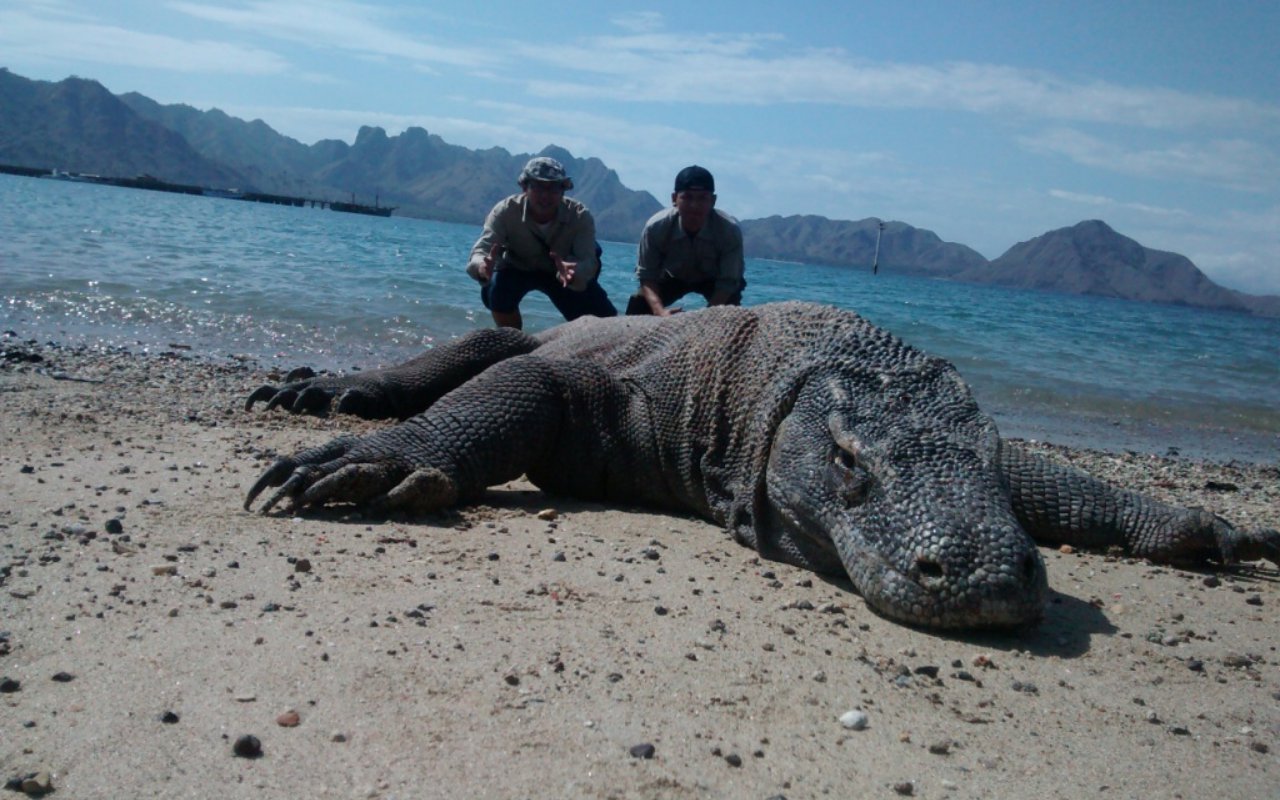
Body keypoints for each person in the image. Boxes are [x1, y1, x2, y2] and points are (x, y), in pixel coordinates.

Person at [466, 157, 616, 329]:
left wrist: (574, 273)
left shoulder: (580, 216)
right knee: (497, 291)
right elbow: (481, 250)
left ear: (563, 190)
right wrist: (482, 267)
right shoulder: (506, 211)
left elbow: (588, 260)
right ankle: (513, 341)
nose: (545, 195)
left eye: (553, 188)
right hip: (517, 269)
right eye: (538, 187)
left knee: (605, 318)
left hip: (561, 276)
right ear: (525, 188)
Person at [626, 165, 745, 316]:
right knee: (639, 304)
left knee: (730, 313)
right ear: (674, 199)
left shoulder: (729, 231)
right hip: (672, 277)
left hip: (715, 281)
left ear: (713, 201)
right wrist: (659, 311)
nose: (694, 205)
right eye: (687, 197)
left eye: (702, 198)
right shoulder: (655, 227)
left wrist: (705, 318)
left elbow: (728, 282)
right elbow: (647, 276)